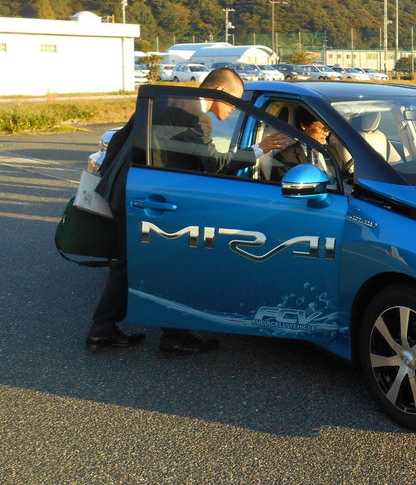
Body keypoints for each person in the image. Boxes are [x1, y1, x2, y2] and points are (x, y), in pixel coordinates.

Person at [86, 67, 291, 354]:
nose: (233, 111)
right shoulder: (195, 117)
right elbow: (215, 165)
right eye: (233, 102)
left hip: (129, 191)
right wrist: (261, 148)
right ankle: (168, 336)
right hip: (152, 198)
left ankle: (108, 330)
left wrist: (113, 180)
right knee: (165, 263)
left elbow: (120, 139)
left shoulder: (161, 99)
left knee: (130, 264)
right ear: (218, 91)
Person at [272, 107, 331, 180]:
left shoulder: (332, 152)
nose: (327, 133)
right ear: (304, 125)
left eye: (329, 128)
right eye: (323, 128)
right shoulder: (285, 158)